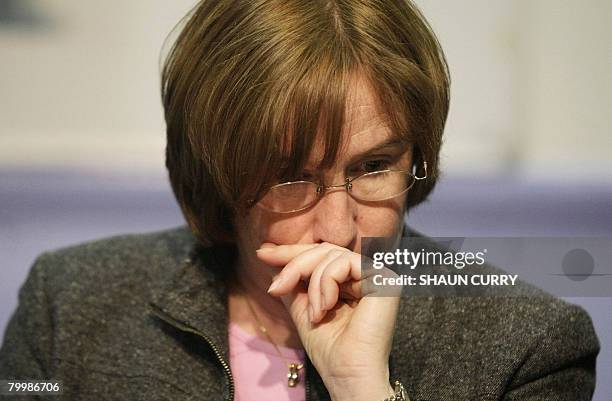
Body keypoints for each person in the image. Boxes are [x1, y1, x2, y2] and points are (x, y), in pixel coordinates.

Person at [0, 0, 600, 400]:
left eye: (374, 166)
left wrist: (364, 389)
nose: (339, 229)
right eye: (289, 177)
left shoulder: (528, 345)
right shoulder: (69, 306)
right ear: (214, 171)